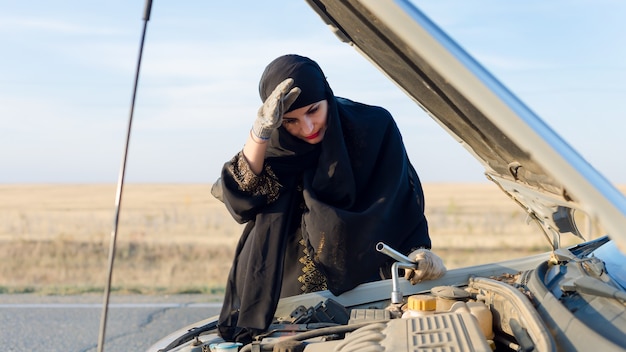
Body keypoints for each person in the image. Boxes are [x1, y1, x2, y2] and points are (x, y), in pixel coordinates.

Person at [211, 54, 446, 343]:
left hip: (369, 283)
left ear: (327, 95)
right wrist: (260, 134)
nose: (307, 128)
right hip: (284, 287)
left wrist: (417, 251)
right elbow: (241, 199)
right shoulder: (277, 145)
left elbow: (398, 201)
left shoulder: (374, 128)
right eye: (290, 120)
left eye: (313, 111)